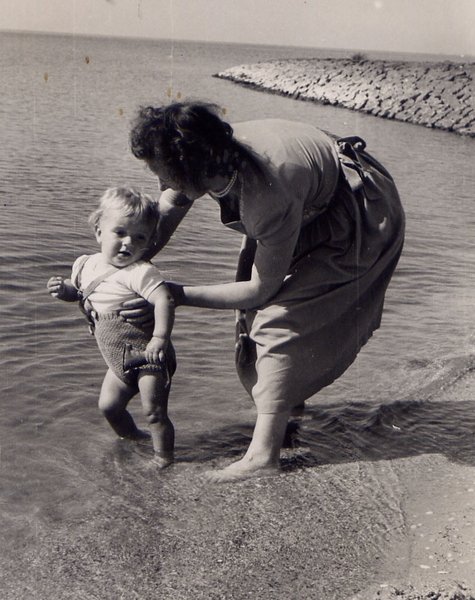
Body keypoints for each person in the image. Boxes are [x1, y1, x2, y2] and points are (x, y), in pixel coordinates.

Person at [124, 101, 405, 482]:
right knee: (252, 318)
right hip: (309, 197)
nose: (155, 178)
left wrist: (175, 294)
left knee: (278, 320)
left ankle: (264, 455)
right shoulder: (208, 150)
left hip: (361, 210)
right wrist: (124, 265)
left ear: (188, 166)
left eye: (158, 170)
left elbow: (260, 289)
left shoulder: (265, 193)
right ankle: (289, 410)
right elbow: (173, 200)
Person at [47, 187, 176, 469]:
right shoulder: (85, 265)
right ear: (98, 232)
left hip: (148, 356)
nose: (128, 243)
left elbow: (164, 300)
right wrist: (63, 290)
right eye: (119, 233)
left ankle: (163, 458)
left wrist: (159, 339)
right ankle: (133, 441)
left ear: (148, 241)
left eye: (139, 238)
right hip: (118, 358)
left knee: (154, 411)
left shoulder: (140, 271)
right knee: (109, 406)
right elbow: (79, 293)